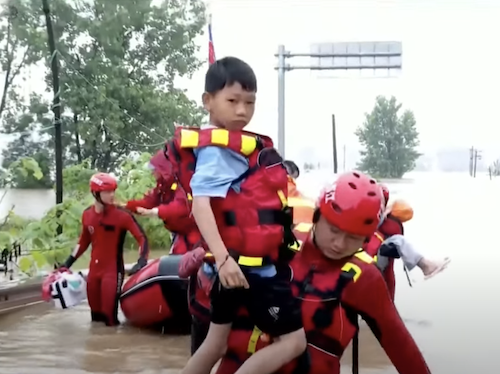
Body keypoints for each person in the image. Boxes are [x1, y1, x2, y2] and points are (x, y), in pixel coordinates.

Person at [168, 56, 306, 374]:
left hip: (231, 270)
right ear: (208, 101)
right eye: (232, 101)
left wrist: (224, 261)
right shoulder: (219, 151)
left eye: (250, 102)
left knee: (215, 344)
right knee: (293, 342)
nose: (242, 111)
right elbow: (200, 204)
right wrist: (224, 258)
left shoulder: (232, 147)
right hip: (249, 272)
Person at [214, 171, 431, 374]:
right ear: (317, 216)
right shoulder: (276, 243)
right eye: (334, 230)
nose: (339, 244)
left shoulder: (364, 278)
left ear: (366, 239)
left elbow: (401, 347)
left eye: (353, 238)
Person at [60, 173, 149, 326]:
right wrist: (67, 263)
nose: (112, 195)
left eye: (113, 190)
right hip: (94, 273)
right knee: (95, 319)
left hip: (112, 273)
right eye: (107, 191)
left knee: (110, 320)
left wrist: (141, 261)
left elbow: (143, 239)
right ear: (95, 193)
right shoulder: (87, 215)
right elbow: (83, 242)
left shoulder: (123, 216)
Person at [366, 183, 450, 299]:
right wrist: (385, 212)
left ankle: (427, 265)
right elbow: (368, 226)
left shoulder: (389, 222)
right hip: (366, 261)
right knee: (399, 240)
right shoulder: (367, 216)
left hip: (376, 264)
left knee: (398, 241)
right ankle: (426, 266)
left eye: (381, 202)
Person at [124, 149, 203, 255]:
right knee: (176, 262)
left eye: (155, 169)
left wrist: (155, 212)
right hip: (180, 235)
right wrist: (126, 205)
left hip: (195, 235)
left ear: (163, 169)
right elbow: (149, 202)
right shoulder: (163, 186)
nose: (153, 172)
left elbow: (181, 207)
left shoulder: (182, 184)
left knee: (188, 263)